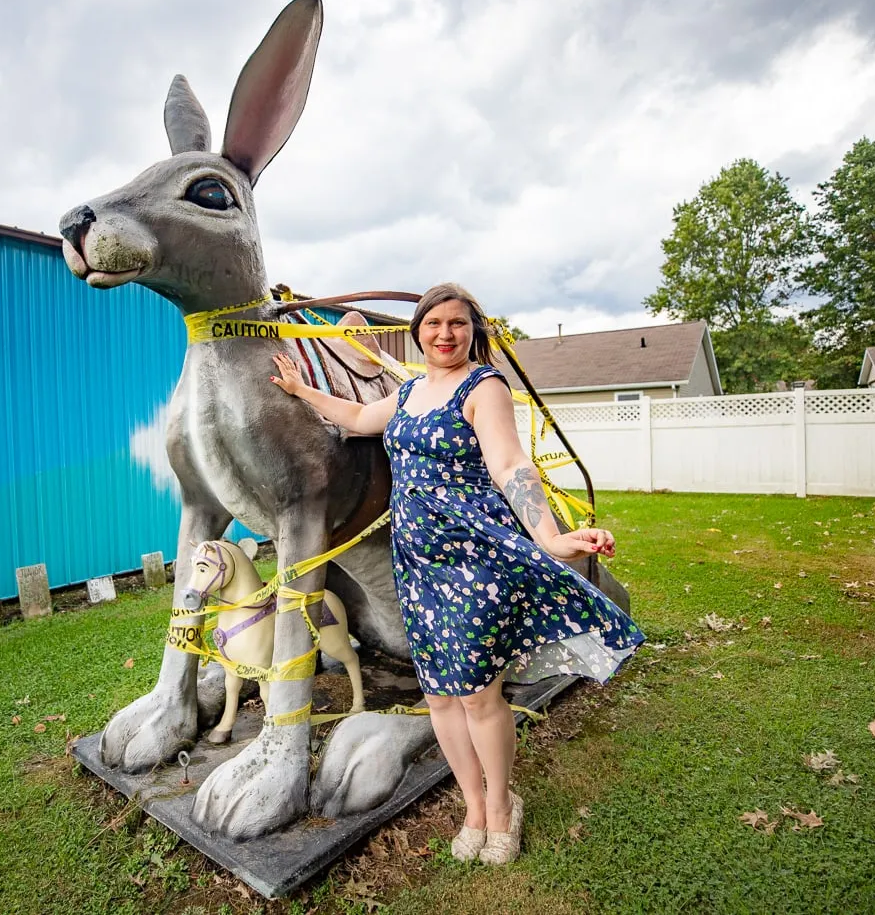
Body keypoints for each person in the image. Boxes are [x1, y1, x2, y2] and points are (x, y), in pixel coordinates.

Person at [270, 282, 644, 865]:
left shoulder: (483, 386)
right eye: (434, 324)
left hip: (474, 560)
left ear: (474, 332)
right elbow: (360, 416)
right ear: (417, 331)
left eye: (458, 324)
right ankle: (472, 804)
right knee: (441, 698)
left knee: (477, 695)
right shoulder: (413, 389)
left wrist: (548, 535)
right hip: (417, 565)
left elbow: (510, 462)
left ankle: (501, 806)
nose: (445, 334)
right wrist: (300, 389)